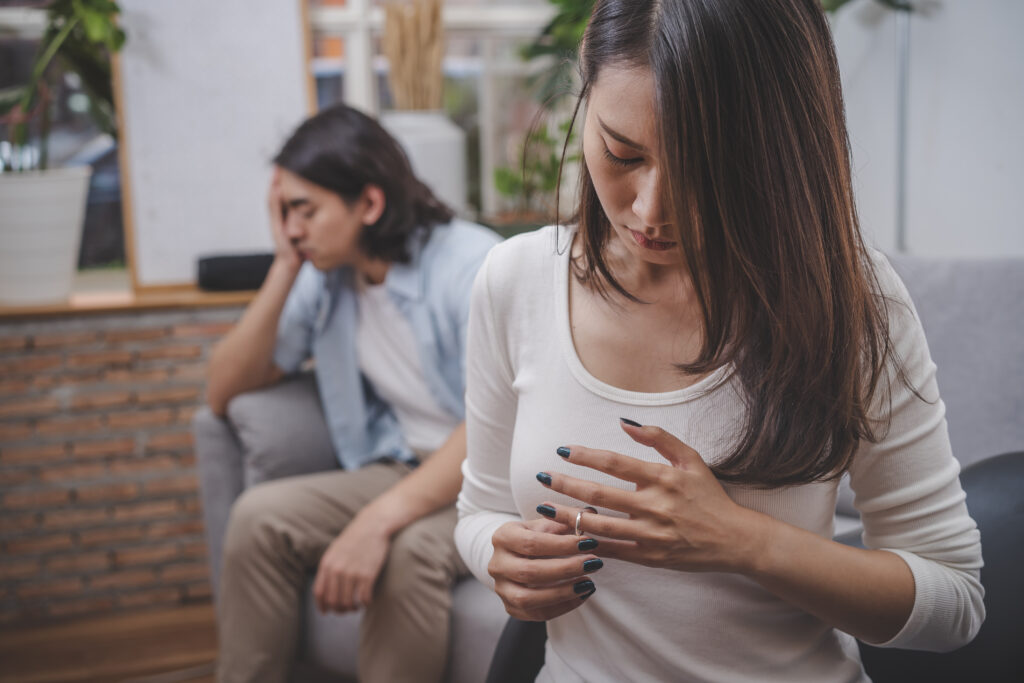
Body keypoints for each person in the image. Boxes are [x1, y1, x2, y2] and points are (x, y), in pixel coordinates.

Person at [455, 1, 985, 681]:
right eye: (623, 153)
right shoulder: (515, 280)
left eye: (708, 170)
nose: (651, 211)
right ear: (584, 96)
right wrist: (501, 552)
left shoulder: (848, 297)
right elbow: (480, 511)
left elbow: (955, 601)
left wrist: (741, 541)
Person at [200, 103, 500, 683]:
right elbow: (223, 391)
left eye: (303, 210)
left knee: (408, 553)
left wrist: (376, 521)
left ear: (369, 203)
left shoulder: (473, 268)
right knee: (259, 518)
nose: (291, 227)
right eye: (283, 211)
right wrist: (285, 264)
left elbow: (492, 423)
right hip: (406, 463)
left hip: (492, 478)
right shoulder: (327, 274)